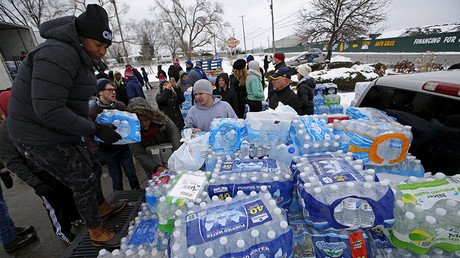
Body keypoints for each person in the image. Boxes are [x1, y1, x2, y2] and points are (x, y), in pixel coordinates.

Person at [6, 4, 125, 248]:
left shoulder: (79, 54)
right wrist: (92, 128)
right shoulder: (56, 54)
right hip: (37, 133)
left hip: (58, 128)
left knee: (91, 165)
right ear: (82, 38)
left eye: (105, 47)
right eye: (98, 45)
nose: (102, 52)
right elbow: (49, 108)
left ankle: (101, 208)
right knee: (80, 177)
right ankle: (96, 230)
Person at [0, 91, 81, 244]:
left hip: (56, 168)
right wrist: (36, 183)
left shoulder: (32, 117)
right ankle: (62, 231)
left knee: (68, 195)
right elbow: (13, 161)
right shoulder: (5, 131)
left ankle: (75, 218)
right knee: (54, 205)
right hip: (40, 175)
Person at [87, 79, 141, 191]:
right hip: (108, 151)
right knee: (116, 180)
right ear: (100, 92)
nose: (113, 92)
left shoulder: (120, 106)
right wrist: (96, 151)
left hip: (124, 149)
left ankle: (139, 197)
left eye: (114, 90)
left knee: (132, 175)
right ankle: (119, 202)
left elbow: (130, 123)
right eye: (109, 90)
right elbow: (88, 134)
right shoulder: (93, 111)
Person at [127, 97, 181, 178]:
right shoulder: (131, 133)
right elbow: (139, 153)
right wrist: (157, 168)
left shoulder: (163, 121)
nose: (144, 124)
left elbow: (175, 135)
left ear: (151, 117)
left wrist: (178, 156)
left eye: (146, 120)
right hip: (150, 163)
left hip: (170, 157)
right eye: (140, 122)